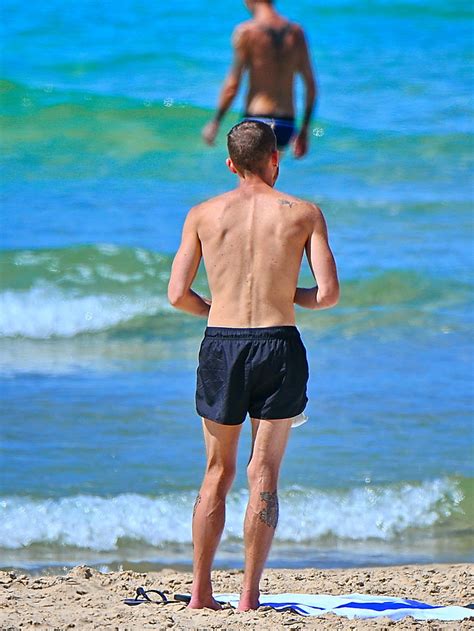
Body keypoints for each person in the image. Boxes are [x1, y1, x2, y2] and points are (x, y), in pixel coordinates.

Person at [168, 120, 338, 611]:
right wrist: (286, 293)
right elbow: (327, 295)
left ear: (230, 164)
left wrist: (213, 311)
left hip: (221, 345)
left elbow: (177, 294)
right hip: (278, 345)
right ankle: (248, 596)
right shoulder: (303, 213)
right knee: (262, 472)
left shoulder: (202, 214)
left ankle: (200, 594)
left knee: (216, 472)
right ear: (274, 160)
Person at [202, 0, 317, 158]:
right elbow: (311, 86)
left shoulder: (246, 31)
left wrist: (216, 121)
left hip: (256, 121)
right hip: (286, 124)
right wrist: (304, 130)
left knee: (249, 181)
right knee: (269, 178)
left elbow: (232, 86)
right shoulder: (297, 32)